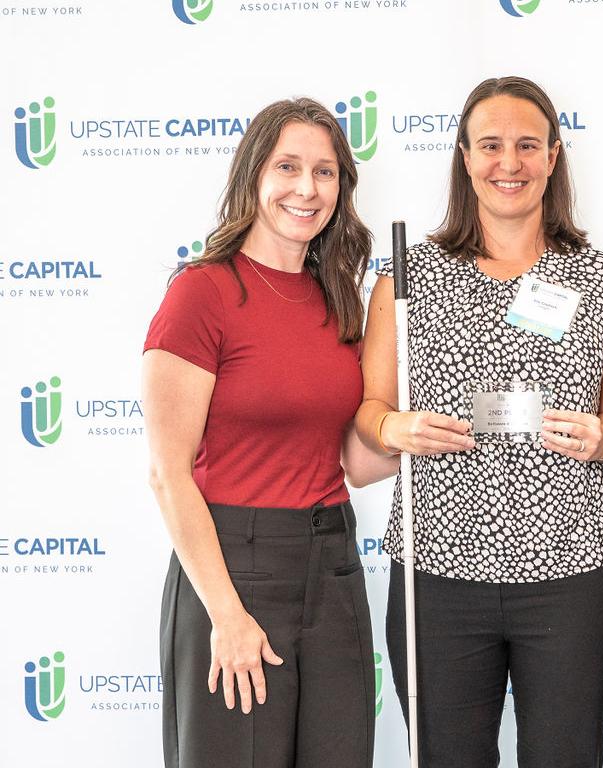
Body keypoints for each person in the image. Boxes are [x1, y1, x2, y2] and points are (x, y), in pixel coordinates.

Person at [355, 75, 603, 768]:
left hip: (572, 571)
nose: (507, 163)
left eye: (525, 145)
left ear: (553, 156)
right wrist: (396, 430)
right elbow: (368, 412)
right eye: (489, 145)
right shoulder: (407, 278)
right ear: (463, 154)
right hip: (440, 572)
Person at [143, 97, 392, 768]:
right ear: (253, 173)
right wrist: (226, 615)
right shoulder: (203, 292)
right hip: (233, 566)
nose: (307, 188)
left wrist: (424, 427)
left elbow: (357, 464)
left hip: (333, 564)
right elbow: (168, 472)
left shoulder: (336, 295)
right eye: (288, 167)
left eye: (326, 171)